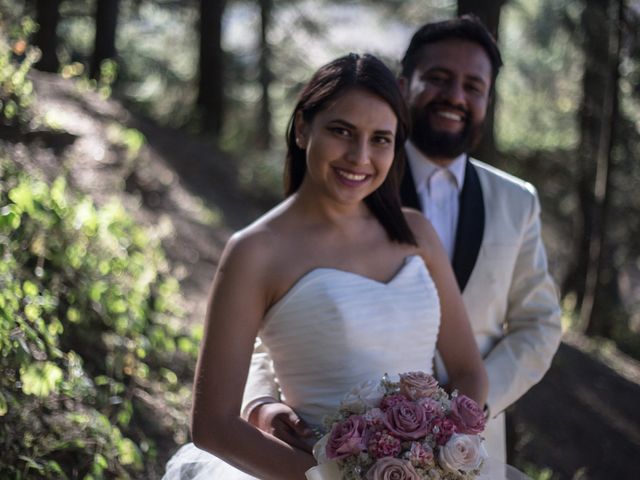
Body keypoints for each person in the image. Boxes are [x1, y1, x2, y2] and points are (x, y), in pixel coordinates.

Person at [243, 15, 563, 464]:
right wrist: (259, 403)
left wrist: (467, 408)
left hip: (462, 452)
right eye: (438, 78)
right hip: (333, 447)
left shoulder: (517, 202)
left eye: (474, 86)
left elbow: (540, 324)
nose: (455, 96)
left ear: (488, 100)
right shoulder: (352, 178)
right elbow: (285, 316)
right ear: (402, 83)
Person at [163, 53, 488, 480]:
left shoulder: (418, 235)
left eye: (380, 139)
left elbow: (468, 371)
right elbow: (213, 425)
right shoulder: (255, 252)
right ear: (302, 129)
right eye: (341, 131)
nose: (359, 156)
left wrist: (444, 456)